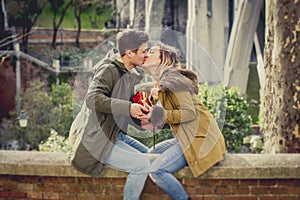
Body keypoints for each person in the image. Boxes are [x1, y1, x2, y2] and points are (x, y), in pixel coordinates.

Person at [68, 29, 151, 200]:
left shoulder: (130, 74)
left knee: (149, 155)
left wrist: (141, 117)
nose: (146, 55)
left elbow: (120, 111)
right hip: (95, 140)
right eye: (143, 51)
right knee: (142, 164)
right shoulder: (109, 70)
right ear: (129, 53)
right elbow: (92, 99)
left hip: (115, 135)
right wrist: (129, 107)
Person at [140, 42, 227, 200]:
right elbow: (175, 115)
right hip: (185, 137)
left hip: (198, 139)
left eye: (151, 52)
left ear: (164, 59)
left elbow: (189, 113)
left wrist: (160, 115)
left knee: (156, 171)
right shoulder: (164, 82)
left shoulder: (172, 79)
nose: (146, 53)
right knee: (149, 155)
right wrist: (155, 121)